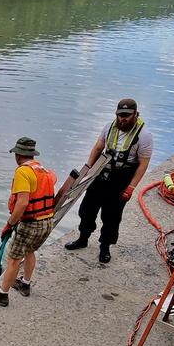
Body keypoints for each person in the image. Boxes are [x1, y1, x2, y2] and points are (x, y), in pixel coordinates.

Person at [65, 98, 153, 263]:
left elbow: (143, 164)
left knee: (111, 216)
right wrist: (87, 169)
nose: (123, 119)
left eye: (127, 115)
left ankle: (105, 247)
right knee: (86, 210)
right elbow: (98, 148)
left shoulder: (144, 136)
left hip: (121, 179)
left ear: (135, 114)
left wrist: (131, 187)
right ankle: (83, 238)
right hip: (100, 174)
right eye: (120, 115)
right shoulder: (109, 127)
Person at [0, 137, 58, 307]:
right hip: (47, 221)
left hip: (31, 223)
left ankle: (2, 295)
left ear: (18, 154)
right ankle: (25, 284)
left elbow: (23, 202)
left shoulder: (22, 172)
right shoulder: (42, 170)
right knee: (30, 251)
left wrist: (9, 224)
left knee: (13, 259)